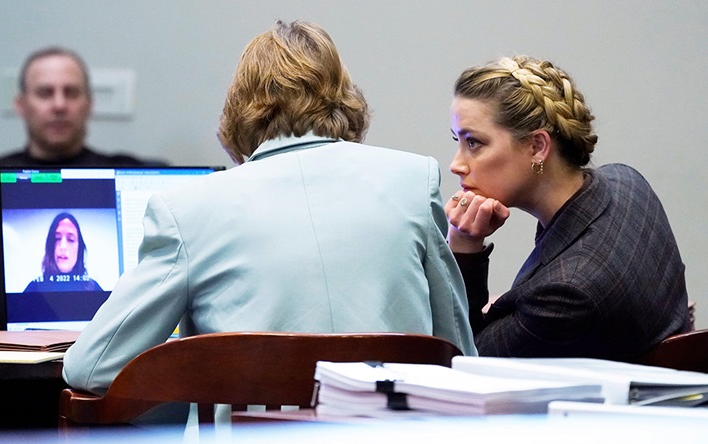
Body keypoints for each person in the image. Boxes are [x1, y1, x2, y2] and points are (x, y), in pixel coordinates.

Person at [64, 20, 476, 399]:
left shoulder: (188, 208)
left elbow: (93, 366)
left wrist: (198, 386)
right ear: (345, 98)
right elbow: (458, 352)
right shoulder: (413, 179)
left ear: (238, 106)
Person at [445, 55, 689, 360]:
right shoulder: (626, 181)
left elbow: (464, 358)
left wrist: (464, 246)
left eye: (474, 143)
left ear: (537, 146)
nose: (456, 165)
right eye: (458, 140)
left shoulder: (568, 292)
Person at [0, 46, 164, 325]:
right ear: (21, 104)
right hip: (10, 355)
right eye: (45, 93)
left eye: (71, 92)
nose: (59, 105)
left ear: (89, 104)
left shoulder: (131, 173)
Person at [23, 212, 102, 292]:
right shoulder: (34, 288)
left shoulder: (93, 288)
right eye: (57, 238)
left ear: (80, 249)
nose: (63, 246)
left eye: (70, 239)